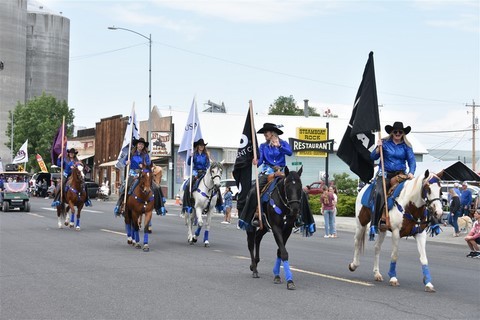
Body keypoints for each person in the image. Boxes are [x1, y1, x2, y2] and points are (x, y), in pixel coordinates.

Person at [239, 122, 293, 228]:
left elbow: (290, 152)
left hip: (281, 172)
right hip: (268, 172)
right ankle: (256, 214)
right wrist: (255, 161)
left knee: (295, 187)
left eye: (266, 132)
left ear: (272, 133)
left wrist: (280, 146)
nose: (264, 134)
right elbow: (260, 160)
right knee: (255, 190)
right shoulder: (263, 146)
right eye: (264, 133)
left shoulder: (283, 143)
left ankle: (298, 216)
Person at [370, 121, 416, 231]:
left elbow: (412, 161)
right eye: (395, 131)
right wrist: (378, 148)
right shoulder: (384, 143)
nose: (398, 133)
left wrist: (411, 172)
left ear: (403, 133)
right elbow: (372, 157)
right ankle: (374, 223)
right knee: (380, 193)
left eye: (400, 132)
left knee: (415, 191)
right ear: (392, 132)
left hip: (401, 175)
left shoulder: (407, 146)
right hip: (385, 174)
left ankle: (415, 220)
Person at [114, 137, 151, 216]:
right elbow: (124, 161)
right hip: (133, 173)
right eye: (139, 144)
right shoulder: (131, 153)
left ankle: (160, 205)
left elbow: (149, 164)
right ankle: (119, 205)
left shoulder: (146, 155)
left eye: (142, 144)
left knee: (155, 187)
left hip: (143, 173)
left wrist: (144, 165)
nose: (141, 145)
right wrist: (126, 162)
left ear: (144, 146)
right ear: (137, 145)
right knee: (124, 187)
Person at [182, 139, 211, 213]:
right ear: (198, 146)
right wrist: (190, 157)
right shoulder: (194, 154)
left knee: (214, 185)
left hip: (204, 172)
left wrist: (208, 170)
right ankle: (187, 203)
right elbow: (189, 163)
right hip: (196, 172)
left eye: (203, 146)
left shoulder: (206, 155)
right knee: (188, 185)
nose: (202, 147)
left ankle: (217, 203)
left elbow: (208, 165)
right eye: (200, 145)